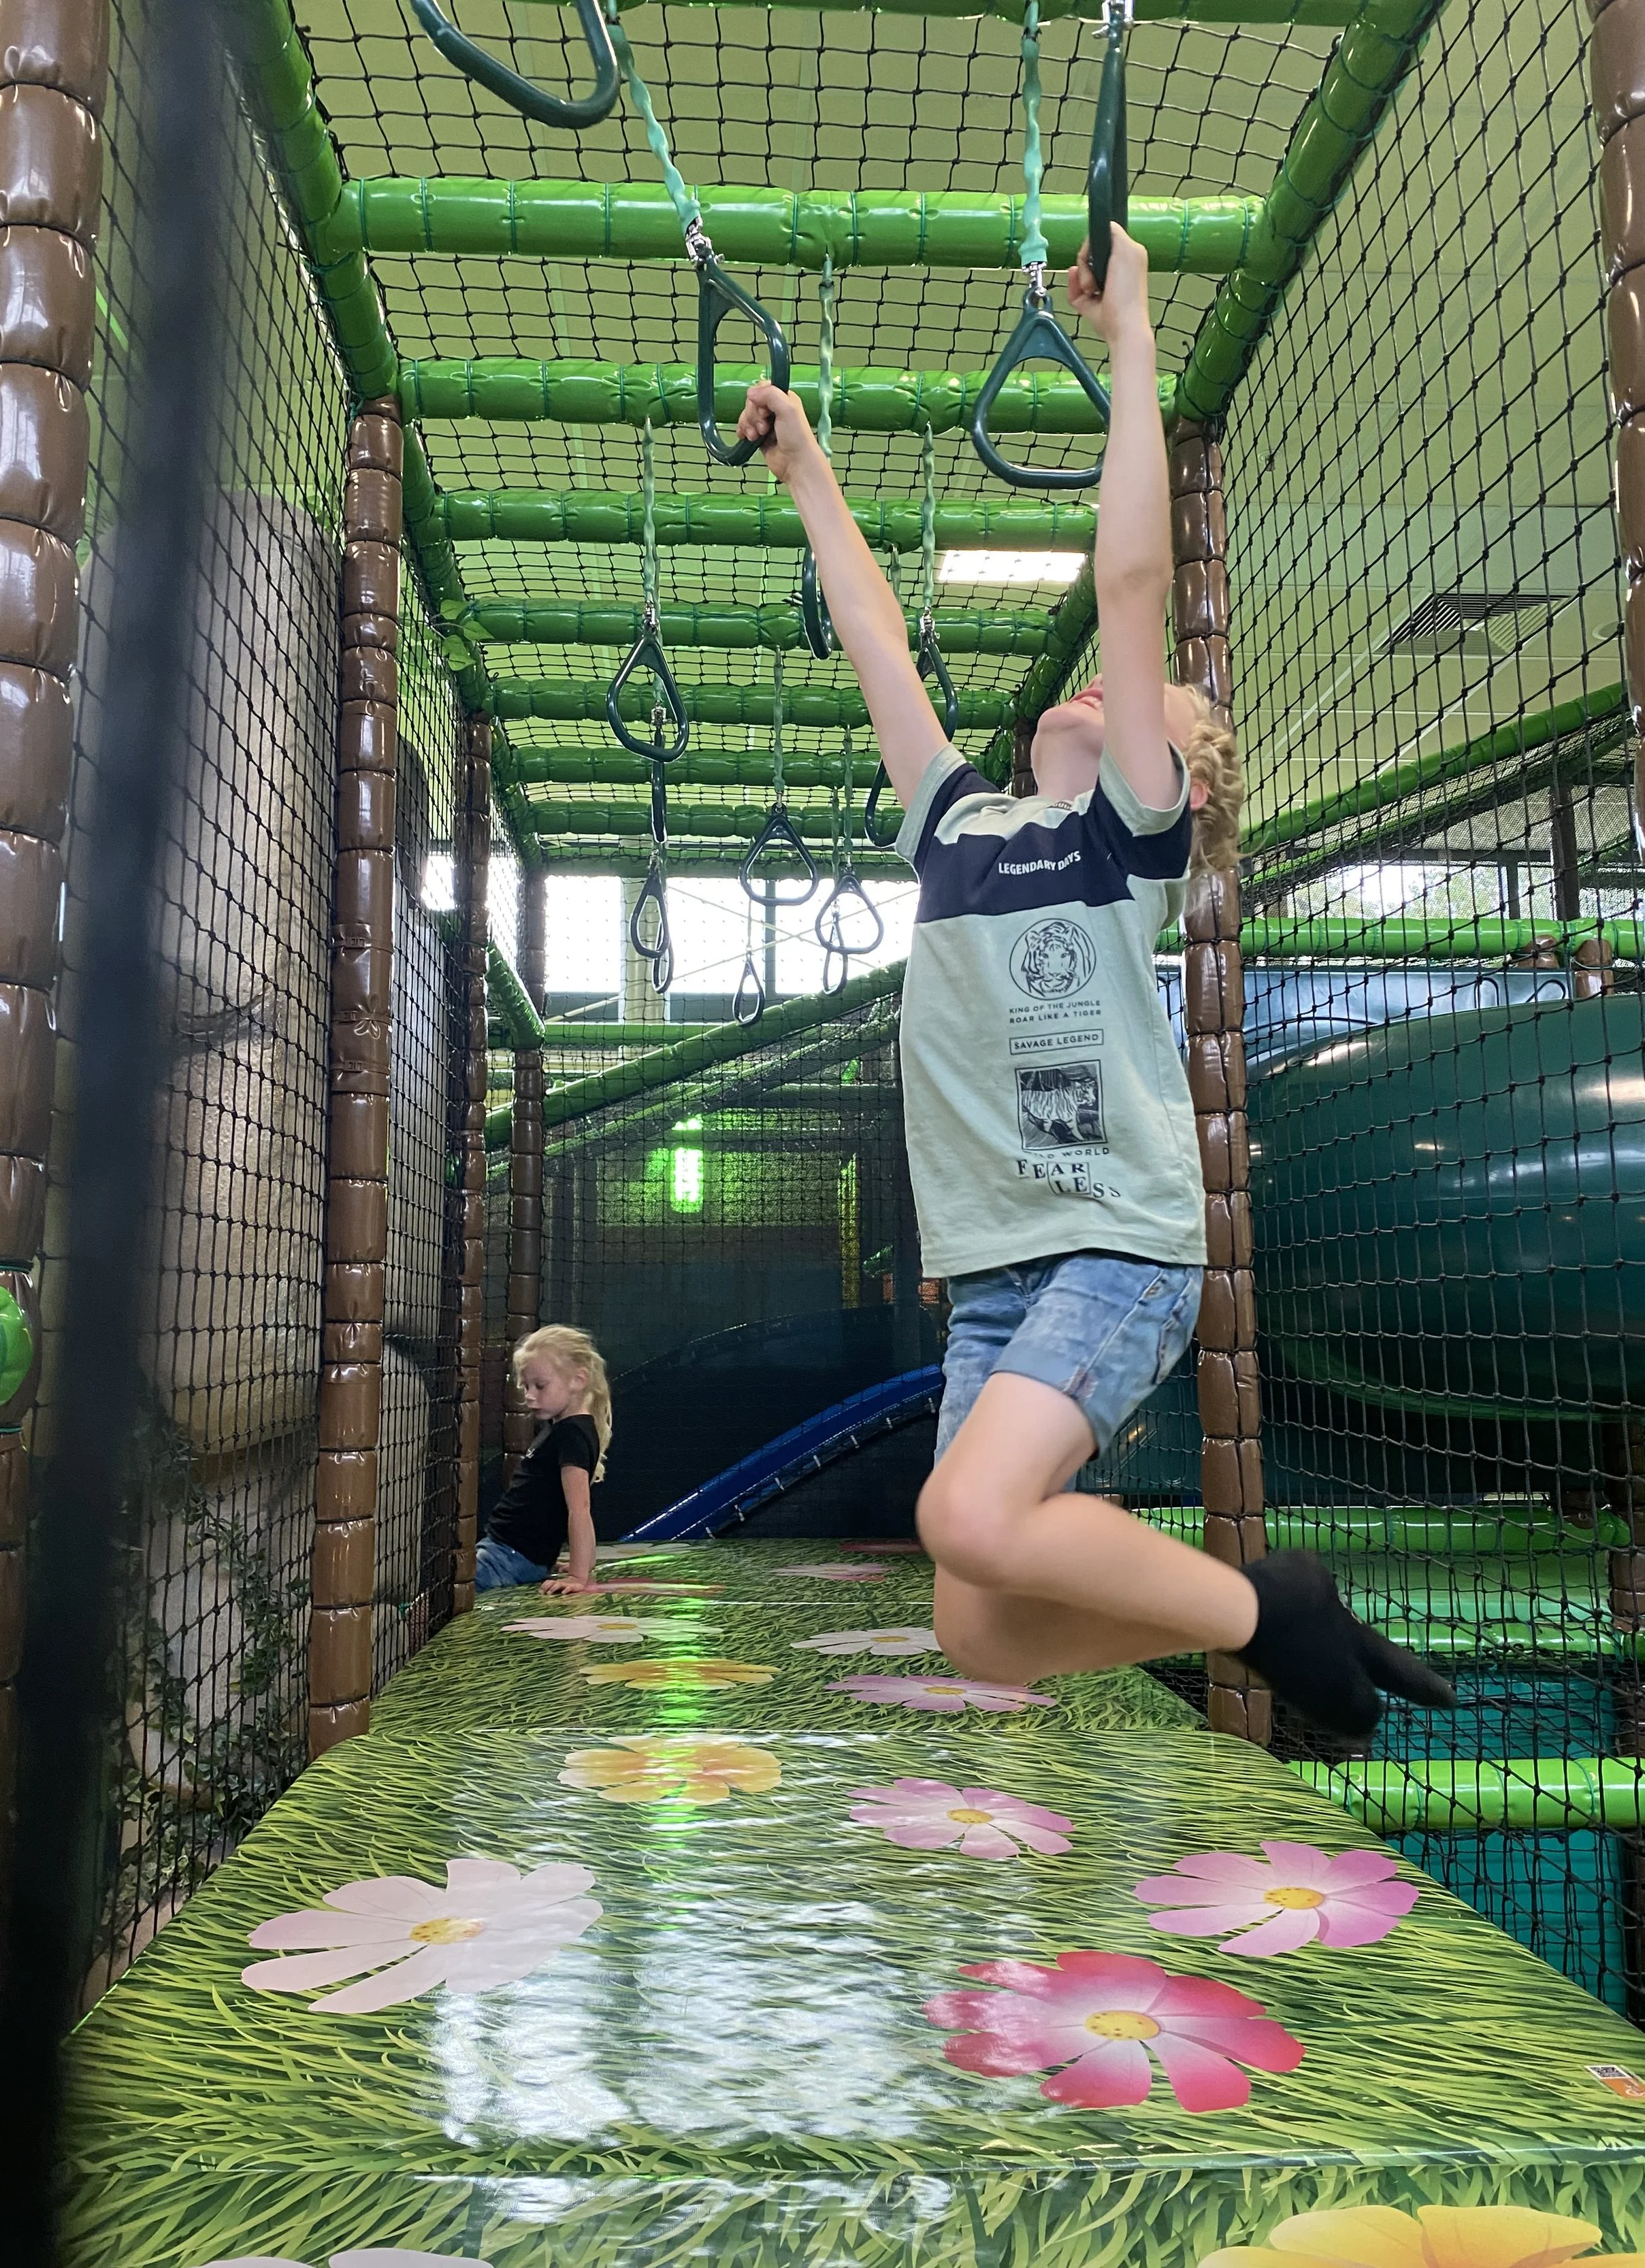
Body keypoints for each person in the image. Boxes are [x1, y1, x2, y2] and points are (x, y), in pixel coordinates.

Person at [734, 225, 1453, 1739]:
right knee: (977, 1629)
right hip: (999, 1270)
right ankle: (1223, 1621)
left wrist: (1130, 334)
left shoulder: (1121, 842)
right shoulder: (960, 823)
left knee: (970, 1521)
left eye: (1156, 711)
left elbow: (1130, 585)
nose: (1112, 691)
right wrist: (803, 462)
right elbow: (870, 628)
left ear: (1175, 773)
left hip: (1115, 1241)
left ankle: (1269, 1611)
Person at [476, 1325, 611, 1596]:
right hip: (508, 1553)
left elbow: (580, 1509)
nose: (529, 1395)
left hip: (508, 1556)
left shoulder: (573, 1434)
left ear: (578, 1380)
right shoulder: (565, 1428)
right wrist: (582, 1562)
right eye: (526, 1386)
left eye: (540, 1386)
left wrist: (578, 1574)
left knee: (431, 1605)